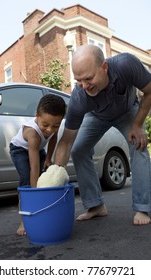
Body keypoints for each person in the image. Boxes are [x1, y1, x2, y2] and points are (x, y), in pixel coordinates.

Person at [54, 44, 151, 226]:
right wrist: (54, 173)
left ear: (104, 67)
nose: (84, 86)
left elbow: (149, 90)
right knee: (78, 149)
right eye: (78, 81)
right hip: (96, 116)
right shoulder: (79, 97)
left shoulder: (126, 64)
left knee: (139, 145)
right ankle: (95, 205)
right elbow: (66, 142)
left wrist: (137, 125)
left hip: (128, 112)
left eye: (88, 78)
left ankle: (142, 207)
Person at [10, 94, 66, 235]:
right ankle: (24, 221)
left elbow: (53, 139)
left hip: (38, 149)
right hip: (19, 150)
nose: (49, 129)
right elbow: (34, 168)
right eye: (45, 125)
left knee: (42, 179)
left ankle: (41, 213)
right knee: (27, 181)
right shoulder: (32, 133)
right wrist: (36, 195)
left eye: (55, 125)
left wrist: (48, 158)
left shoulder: (54, 126)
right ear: (37, 116)